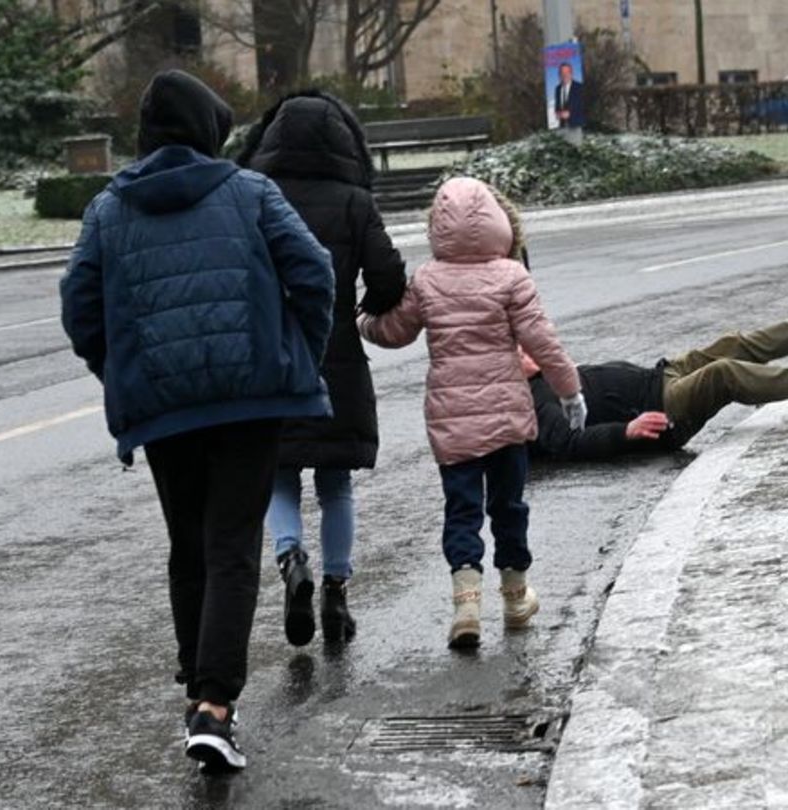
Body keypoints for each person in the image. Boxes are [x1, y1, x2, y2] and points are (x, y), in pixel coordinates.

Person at [59, 70, 334, 772]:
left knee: (188, 543)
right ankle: (214, 706)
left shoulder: (107, 210)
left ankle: (199, 694)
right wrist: (294, 349)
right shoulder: (250, 193)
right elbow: (315, 273)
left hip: (165, 410)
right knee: (232, 547)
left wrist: (122, 369)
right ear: (209, 131)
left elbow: (80, 309)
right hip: (251, 401)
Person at [359, 177, 586, 650]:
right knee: (509, 506)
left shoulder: (427, 279)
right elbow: (541, 340)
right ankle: (516, 598)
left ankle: (466, 605)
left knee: (461, 510)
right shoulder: (511, 276)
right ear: (499, 223)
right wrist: (569, 391)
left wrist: (360, 321)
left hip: (451, 420)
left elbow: (395, 332)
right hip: (505, 417)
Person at [236, 90, 408, 648]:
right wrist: (363, 310)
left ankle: (291, 561)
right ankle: (336, 592)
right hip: (335, 357)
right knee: (336, 484)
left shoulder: (256, 196)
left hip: (271, 359)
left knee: (275, 474)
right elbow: (388, 278)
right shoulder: (355, 202)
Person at [525, 261, 788, 461]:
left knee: (731, 345)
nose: (526, 350)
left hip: (662, 376)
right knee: (723, 375)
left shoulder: (549, 377)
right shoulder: (535, 401)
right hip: (663, 411)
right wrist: (626, 432)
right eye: (519, 352)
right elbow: (568, 444)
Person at [553, 63, 586, 129]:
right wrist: (557, 112)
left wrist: (570, 114)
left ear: (571, 73)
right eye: (562, 72)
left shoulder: (579, 87)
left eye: (567, 72)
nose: (564, 75)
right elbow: (557, 106)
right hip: (561, 126)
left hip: (576, 126)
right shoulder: (557, 89)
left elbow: (585, 107)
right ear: (559, 75)